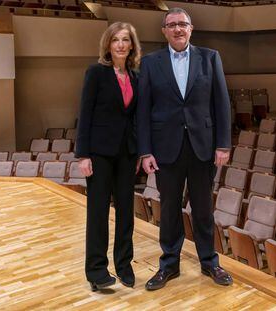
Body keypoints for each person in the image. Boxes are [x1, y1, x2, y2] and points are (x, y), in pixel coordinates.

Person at [137, 7, 233, 291]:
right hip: (166, 148)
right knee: (168, 209)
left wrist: (223, 145)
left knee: (204, 208)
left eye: (182, 24)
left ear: (191, 29)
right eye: (172, 25)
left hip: (202, 146)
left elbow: (222, 103)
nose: (177, 29)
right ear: (164, 31)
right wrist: (145, 151)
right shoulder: (151, 63)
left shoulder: (210, 57)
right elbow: (142, 110)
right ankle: (169, 265)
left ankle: (210, 262)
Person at [75, 22, 141, 292]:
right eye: (116, 40)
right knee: (98, 213)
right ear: (108, 44)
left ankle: (124, 265)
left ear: (132, 45)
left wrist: (138, 150)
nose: (121, 45)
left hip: (127, 153)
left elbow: (135, 117)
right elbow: (85, 113)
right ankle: (96, 271)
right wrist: (83, 155)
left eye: (126, 40)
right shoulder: (96, 73)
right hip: (99, 154)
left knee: (126, 213)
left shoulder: (136, 76)